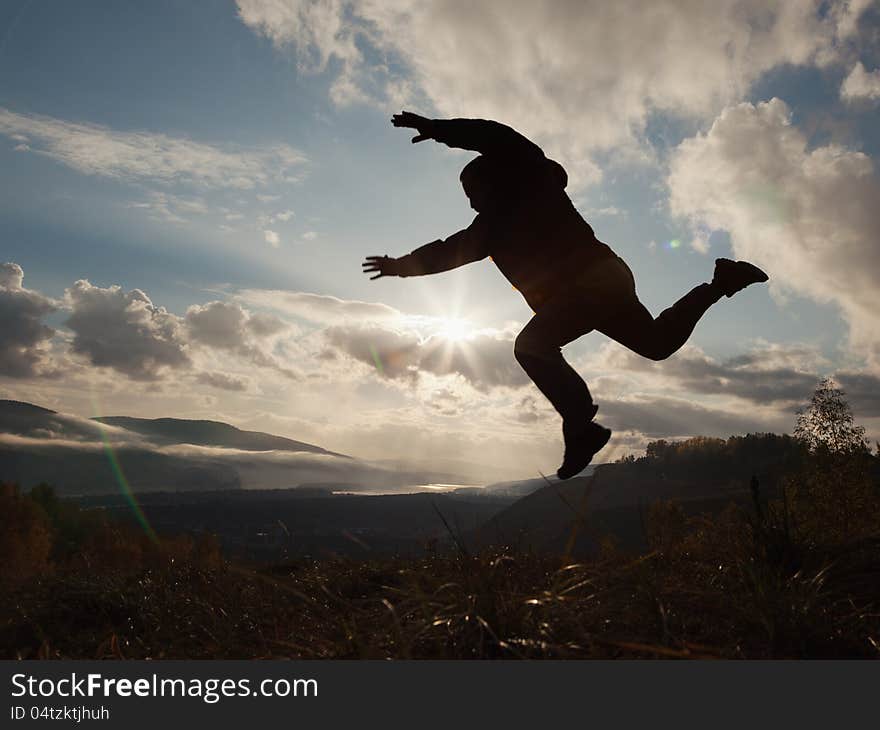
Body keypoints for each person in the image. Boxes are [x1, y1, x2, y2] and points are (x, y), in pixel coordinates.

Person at [363, 111, 768, 479]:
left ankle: (580, 427)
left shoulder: (533, 182)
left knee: (531, 345)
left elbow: (498, 137)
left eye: (473, 190)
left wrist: (440, 130)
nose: (470, 201)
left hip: (588, 284)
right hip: (606, 279)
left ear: (494, 180)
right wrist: (400, 265)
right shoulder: (488, 230)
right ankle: (721, 283)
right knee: (657, 344)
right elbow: (446, 252)